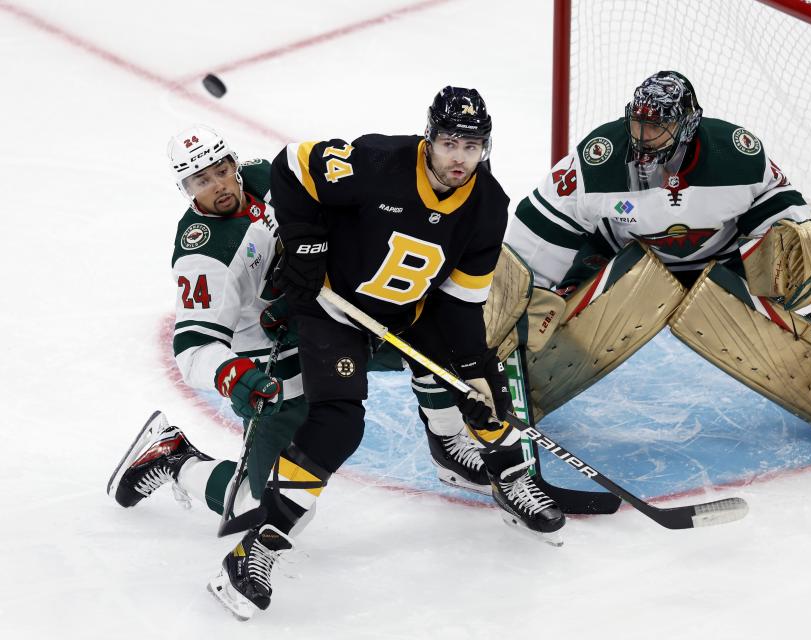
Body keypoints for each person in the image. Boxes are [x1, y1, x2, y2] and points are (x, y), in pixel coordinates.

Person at [204, 86, 565, 620]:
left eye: (472, 146)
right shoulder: (378, 163)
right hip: (335, 311)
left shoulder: (488, 208)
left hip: (410, 311)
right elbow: (292, 167)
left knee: (481, 388)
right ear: (429, 139)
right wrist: (306, 243)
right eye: (449, 143)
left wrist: (473, 374)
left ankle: (510, 477)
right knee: (339, 423)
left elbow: (462, 305)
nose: (459, 158)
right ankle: (257, 546)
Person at [499, 70, 811, 449]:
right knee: (538, 310)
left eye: (658, 127)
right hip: (619, 255)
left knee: (791, 250)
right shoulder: (599, 158)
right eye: (639, 124)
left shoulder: (737, 153)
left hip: (722, 265)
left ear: (689, 125)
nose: (644, 136)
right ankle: (500, 385)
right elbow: (546, 218)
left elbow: (776, 202)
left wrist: (801, 231)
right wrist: (524, 294)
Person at [107, 124, 312, 531]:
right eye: (201, 180)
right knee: (267, 509)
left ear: (235, 163)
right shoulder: (204, 255)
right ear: (185, 188)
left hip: (314, 320)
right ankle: (175, 458)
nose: (218, 185)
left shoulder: (263, 178)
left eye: (221, 169)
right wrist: (233, 375)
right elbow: (194, 347)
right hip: (272, 361)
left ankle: (453, 440)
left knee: (422, 341)